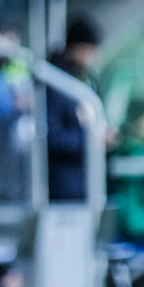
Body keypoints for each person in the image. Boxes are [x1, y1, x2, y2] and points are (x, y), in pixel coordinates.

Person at [47, 19, 102, 201]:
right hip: (63, 184)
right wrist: (90, 140)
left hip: (84, 179)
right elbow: (52, 136)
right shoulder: (54, 82)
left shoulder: (86, 78)